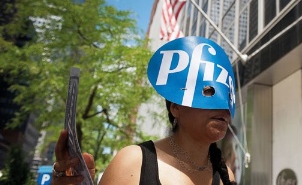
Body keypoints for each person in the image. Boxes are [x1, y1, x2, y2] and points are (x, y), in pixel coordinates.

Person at [51, 36, 237, 185]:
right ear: (175, 108)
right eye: (208, 92)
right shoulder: (133, 162)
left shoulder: (226, 176)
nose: (223, 107)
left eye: (226, 96)